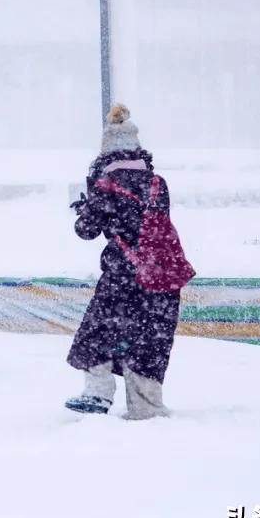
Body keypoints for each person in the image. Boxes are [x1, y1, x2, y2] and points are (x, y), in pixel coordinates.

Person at [64, 103, 195, 419]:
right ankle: (146, 407)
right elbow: (152, 224)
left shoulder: (106, 184)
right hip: (159, 277)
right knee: (149, 339)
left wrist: (87, 208)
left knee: (98, 332)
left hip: (123, 275)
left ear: (105, 152)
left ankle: (98, 393)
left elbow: (86, 230)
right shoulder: (156, 183)